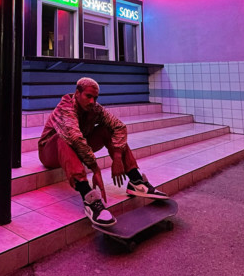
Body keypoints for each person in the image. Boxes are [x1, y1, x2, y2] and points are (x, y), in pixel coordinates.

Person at [38, 77, 168, 226]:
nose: (92, 101)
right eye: (88, 96)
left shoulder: (95, 108)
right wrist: (95, 169)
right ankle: (89, 197)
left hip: (77, 146)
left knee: (107, 130)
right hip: (49, 153)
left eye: (95, 98)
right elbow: (75, 139)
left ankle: (135, 180)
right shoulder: (65, 108)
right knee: (64, 137)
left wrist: (117, 156)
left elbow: (119, 126)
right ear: (77, 93)